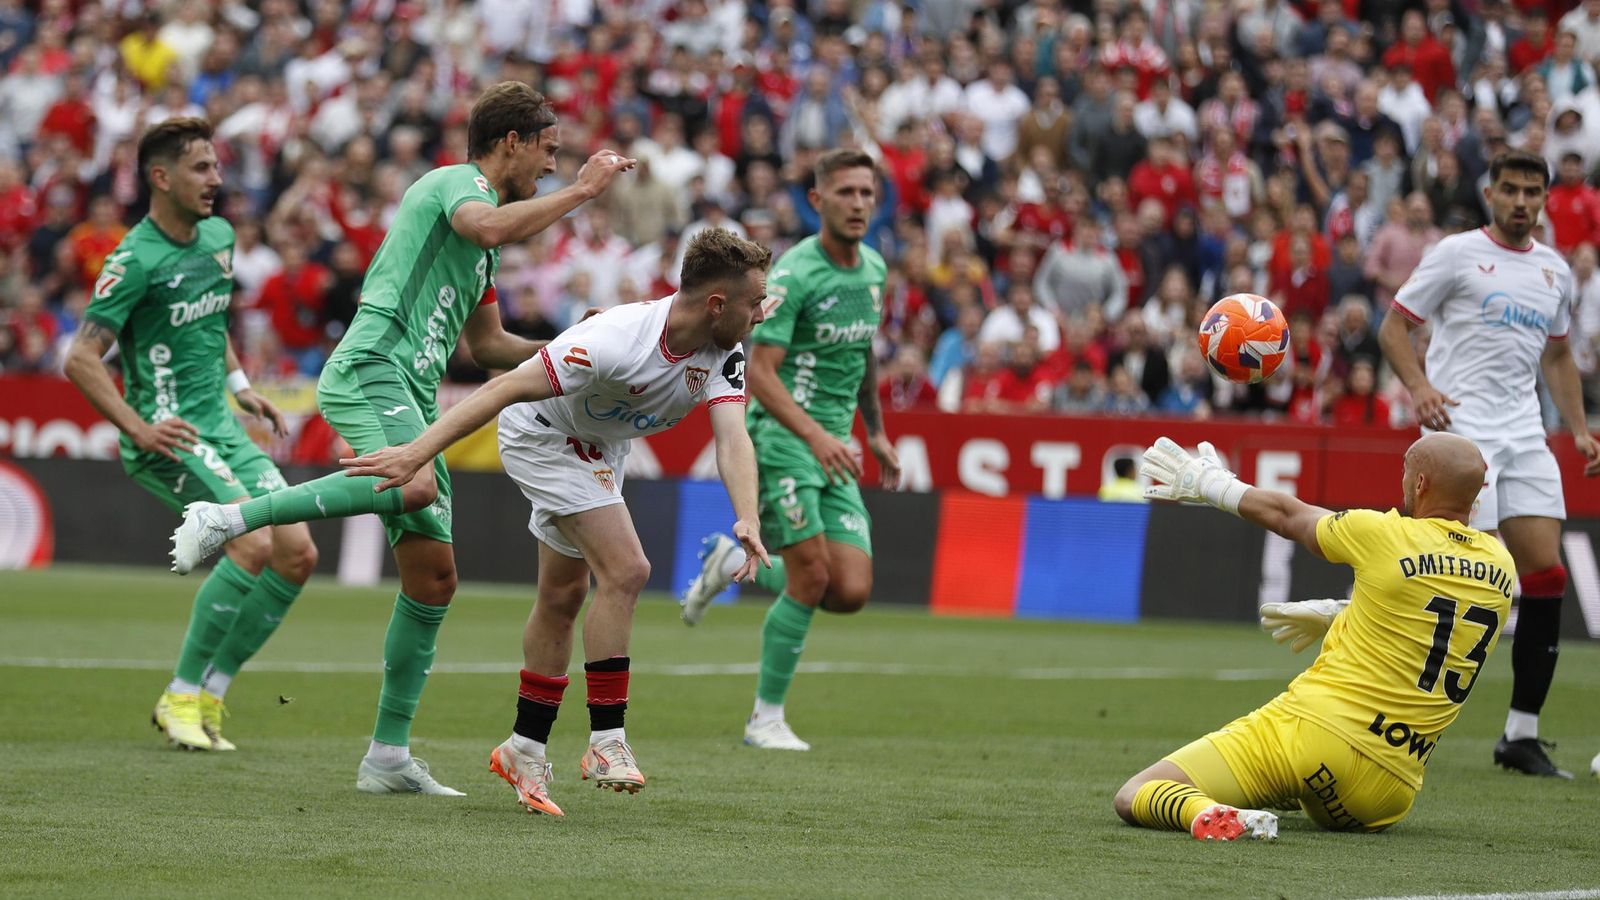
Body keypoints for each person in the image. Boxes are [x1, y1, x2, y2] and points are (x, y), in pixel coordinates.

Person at [168, 83, 634, 794]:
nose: (552, 165)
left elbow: (489, 346)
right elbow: (487, 226)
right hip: (372, 368)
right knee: (413, 485)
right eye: (548, 150)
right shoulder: (456, 186)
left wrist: (578, 345)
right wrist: (583, 191)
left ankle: (386, 758)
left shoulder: (481, 252)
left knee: (434, 579)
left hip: (413, 399)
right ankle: (229, 518)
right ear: (511, 141)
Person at [337, 228, 773, 816]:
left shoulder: (724, 348)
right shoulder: (614, 340)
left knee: (563, 595)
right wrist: (415, 453)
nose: (759, 315)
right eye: (753, 303)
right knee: (627, 569)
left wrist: (745, 515)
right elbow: (504, 388)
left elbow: (733, 437)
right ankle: (607, 740)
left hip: (602, 447)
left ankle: (524, 747)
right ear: (717, 304)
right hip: (542, 436)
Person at [64, 117, 318, 752]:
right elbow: (80, 359)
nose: (215, 179)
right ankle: (179, 693)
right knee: (252, 543)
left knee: (298, 553)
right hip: (170, 434)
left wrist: (240, 386)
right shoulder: (134, 260)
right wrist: (138, 426)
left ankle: (210, 693)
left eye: (216, 166)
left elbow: (211, 322)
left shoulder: (219, 236)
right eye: (201, 168)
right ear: (161, 177)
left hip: (222, 425)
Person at [1118, 432, 1513, 840]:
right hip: (1385, 795)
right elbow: (1430, 625)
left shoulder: (1384, 534)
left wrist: (1211, 484)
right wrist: (1340, 614)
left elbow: (1289, 516)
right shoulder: (1501, 566)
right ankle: (1270, 794)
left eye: (1405, 472)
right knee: (1299, 784)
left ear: (1421, 484)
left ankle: (1205, 812)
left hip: (1315, 738)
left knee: (1136, 793)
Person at [1378, 149, 1600, 779]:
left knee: (1546, 574)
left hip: (1525, 434)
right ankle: (1389, 715)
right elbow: (1394, 328)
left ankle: (1520, 735)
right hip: (1461, 431)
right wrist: (1419, 387)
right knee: (1449, 575)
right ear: (1491, 193)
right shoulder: (1455, 253)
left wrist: (1578, 429)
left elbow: (1557, 357)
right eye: (1510, 189)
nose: (1521, 201)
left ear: (1545, 200)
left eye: (1532, 191)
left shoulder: (1554, 271)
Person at [678, 149, 902, 752]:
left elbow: (862, 350)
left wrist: (875, 431)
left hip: (835, 445)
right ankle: (765, 719)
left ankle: (729, 562)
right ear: (817, 200)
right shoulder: (795, 274)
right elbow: (762, 374)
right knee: (811, 575)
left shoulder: (874, 269)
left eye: (867, 193)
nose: (859, 203)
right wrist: (818, 437)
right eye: (846, 192)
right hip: (785, 439)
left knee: (849, 591)